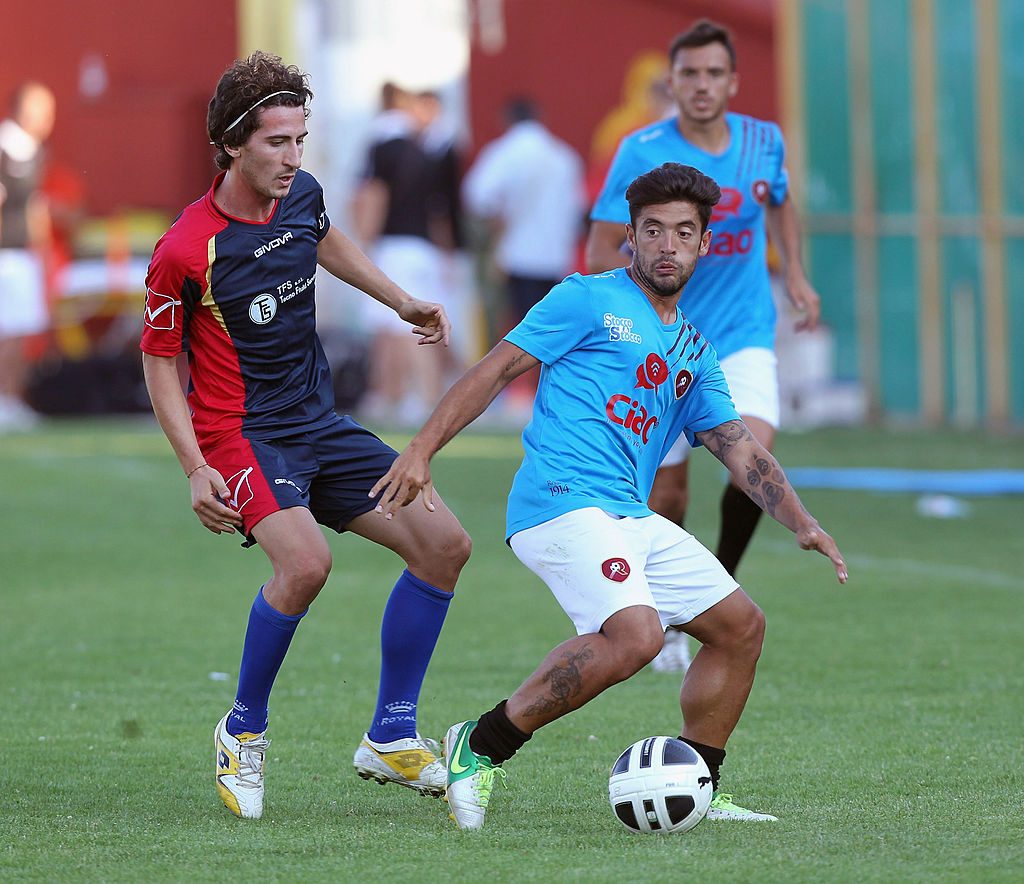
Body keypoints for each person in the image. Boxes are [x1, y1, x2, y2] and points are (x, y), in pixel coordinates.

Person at [370, 163, 848, 830]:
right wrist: (421, 449)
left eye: (684, 232)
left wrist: (801, 520)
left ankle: (700, 786)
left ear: (705, 244)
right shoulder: (584, 298)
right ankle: (477, 747)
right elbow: (494, 370)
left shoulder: (694, 350)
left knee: (741, 628)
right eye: (653, 230)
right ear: (631, 236)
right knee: (637, 636)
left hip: (628, 516)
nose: (667, 245)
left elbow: (740, 447)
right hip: (558, 503)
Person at [139, 52, 472, 821]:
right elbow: (161, 366)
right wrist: (194, 468)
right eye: (277, 144)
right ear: (230, 145)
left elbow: (324, 238)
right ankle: (242, 732)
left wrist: (399, 300)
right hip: (241, 436)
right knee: (307, 564)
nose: (294, 159)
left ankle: (391, 734)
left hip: (319, 424)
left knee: (445, 544)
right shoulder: (186, 249)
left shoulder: (304, 194)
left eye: (300, 140)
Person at [586, 20, 823, 672]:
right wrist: (617, 323)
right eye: (689, 74)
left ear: (733, 81)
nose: (701, 85)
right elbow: (602, 246)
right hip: (665, 343)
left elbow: (781, 205)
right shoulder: (641, 150)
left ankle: (710, 593)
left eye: (714, 73)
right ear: (673, 81)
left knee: (754, 465)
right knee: (668, 498)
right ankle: (665, 608)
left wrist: (795, 273)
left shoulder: (763, 142)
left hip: (744, 335)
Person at [352, 84, 458, 427]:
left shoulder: (383, 145)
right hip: (423, 247)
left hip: (394, 244)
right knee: (411, 323)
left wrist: (363, 244)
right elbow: (438, 208)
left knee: (399, 327)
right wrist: (446, 254)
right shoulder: (425, 149)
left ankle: (422, 396)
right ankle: (395, 392)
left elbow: (375, 195)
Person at [0, 81, 56, 432]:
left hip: (23, 257)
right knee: (6, 332)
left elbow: (34, 205)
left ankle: (12, 399)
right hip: (2, 255)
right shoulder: (4, 145)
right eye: (42, 108)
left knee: (21, 332)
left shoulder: (36, 151)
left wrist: (44, 252)